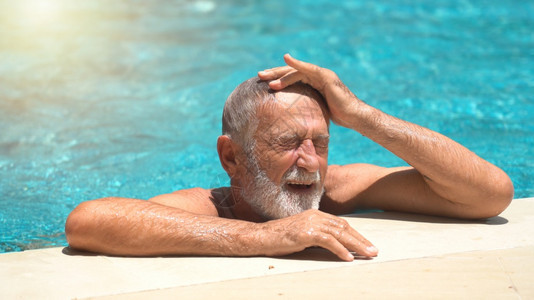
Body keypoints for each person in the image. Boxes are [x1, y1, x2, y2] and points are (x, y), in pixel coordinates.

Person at [65, 54, 514, 262]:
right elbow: (87, 221)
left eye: (319, 143)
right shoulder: (211, 205)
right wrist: (264, 238)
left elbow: (487, 196)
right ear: (232, 158)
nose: (311, 163)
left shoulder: (337, 189)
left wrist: (359, 115)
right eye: (287, 143)